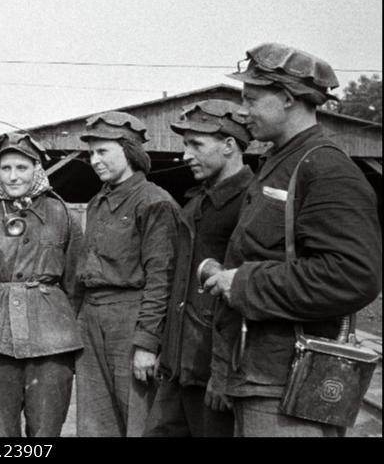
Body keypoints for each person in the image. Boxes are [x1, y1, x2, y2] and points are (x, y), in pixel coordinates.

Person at [203, 43, 382, 437]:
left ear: (287, 98)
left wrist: (244, 282)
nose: (242, 111)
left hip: (290, 389)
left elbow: (352, 276)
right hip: (260, 376)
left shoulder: (325, 168)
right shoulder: (280, 163)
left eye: (251, 99)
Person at [0, 132, 82, 437]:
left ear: (37, 169)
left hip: (52, 343)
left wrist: (62, 325)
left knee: (45, 433)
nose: (13, 177)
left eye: (22, 168)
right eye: (6, 168)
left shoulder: (62, 214)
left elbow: (76, 282)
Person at [145, 99, 253, 437]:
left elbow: (246, 299)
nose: (186, 155)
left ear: (229, 146)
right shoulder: (195, 204)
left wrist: (224, 373)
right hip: (179, 368)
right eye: (185, 145)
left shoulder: (253, 204)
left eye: (196, 145)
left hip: (214, 375)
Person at [75, 111, 183, 437]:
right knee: (95, 421)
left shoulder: (154, 202)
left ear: (129, 150)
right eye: (91, 153)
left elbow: (161, 278)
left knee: (138, 420)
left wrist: (147, 343)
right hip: (92, 317)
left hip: (130, 318)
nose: (94, 160)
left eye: (103, 151)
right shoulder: (97, 202)